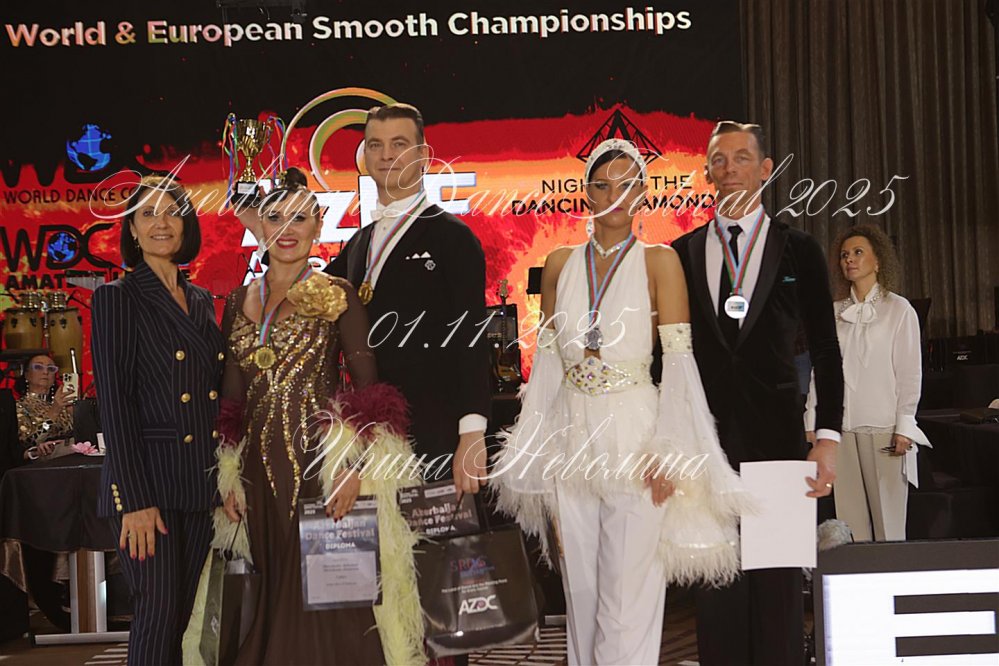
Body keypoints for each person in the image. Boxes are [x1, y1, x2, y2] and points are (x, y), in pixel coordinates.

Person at [494, 139, 747, 665]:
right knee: (581, 595)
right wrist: (538, 454)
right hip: (571, 441)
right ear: (585, 193)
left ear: (642, 195)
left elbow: (679, 365)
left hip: (636, 441)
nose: (614, 196)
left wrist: (671, 451)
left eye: (627, 185)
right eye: (602, 185)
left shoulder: (660, 262)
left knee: (627, 601)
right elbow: (547, 368)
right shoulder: (559, 263)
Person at [214, 167, 423, 665]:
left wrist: (354, 468)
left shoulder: (337, 293)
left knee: (327, 607)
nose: (287, 230)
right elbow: (231, 400)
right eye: (275, 218)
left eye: (300, 219)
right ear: (259, 225)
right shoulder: (237, 301)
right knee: (272, 590)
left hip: (319, 468)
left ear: (318, 225)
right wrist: (228, 475)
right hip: (257, 475)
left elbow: (370, 392)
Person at [671, 121, 844, 666]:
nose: (730, 170)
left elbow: (826, 350)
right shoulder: (681, 253)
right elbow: (665, 359)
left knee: (778, 595)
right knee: (716, 593)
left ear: (766, 169)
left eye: (742, 158)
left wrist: (828, 438)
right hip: (707, 450)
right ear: (707, 172)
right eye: (719, 161)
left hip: (779, 447)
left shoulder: (800, 249)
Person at [324, 103, 492, 495]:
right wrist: (264, 232)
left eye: (399, 144)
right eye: (375, 145)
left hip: (436, 428)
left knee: (434, 536)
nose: (386, 155)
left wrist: (472, 432)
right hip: (372, 434)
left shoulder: (453, 237)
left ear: (423, 155)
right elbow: (306, 290)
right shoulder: (359, 242)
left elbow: (471, 337)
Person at [91, 175, 225, 665]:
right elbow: (115, 403)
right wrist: (135, 501)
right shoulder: (117, 297)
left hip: (199, 483)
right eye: (147, 214)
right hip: (148, 487)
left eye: (172, 212)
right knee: (158, 614)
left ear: (187, 224)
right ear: (131, 229)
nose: (160, 223)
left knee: (186, 621)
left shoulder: (202, 299)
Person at [805, 224, 929, 542]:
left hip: (884, 428)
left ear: (878, 260)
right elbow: (821, 372)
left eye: (858, 252)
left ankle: (895, 573)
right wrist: (812, 420)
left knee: (889, 525)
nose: (849, 259)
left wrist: (905, 425)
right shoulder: (834, 313)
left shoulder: (899, 310)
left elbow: (910, 372)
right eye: (845, 254)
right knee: (850, 522)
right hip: (841, 429)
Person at [15, 354, 74, 461]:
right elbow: (30, 442)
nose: (45, 372)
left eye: (51, 369)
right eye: (38, 367)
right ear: (27, 374)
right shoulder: (19, 407)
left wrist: (76, 415)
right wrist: (55, 410)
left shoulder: (64, 406)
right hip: (40, 463)